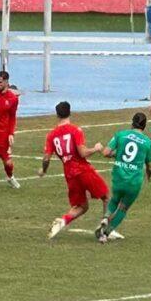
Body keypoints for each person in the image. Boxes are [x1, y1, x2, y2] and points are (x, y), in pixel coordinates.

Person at [41, 101, 109, 240]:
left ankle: (63, 221)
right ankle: (105, 230)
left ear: (57, 115)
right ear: (70, 112)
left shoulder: (51, 135)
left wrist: (43, 171)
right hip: (83, 170)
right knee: (107, 197)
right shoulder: (75, 130)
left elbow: (46, 158)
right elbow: (82, 153)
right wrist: (96, 148)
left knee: (82, 206)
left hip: (69, 174)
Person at [96, 112, 151, 244]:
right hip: (134, 182)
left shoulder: (120, 135)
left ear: (132, 123)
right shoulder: (148, 143)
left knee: (114, 199)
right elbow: (150, 167)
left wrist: (116, 154)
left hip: (119, 177)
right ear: (144, 126)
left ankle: (105, 217)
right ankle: (105, 234)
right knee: (123, 208)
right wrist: (149, 177)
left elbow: (106, 152)